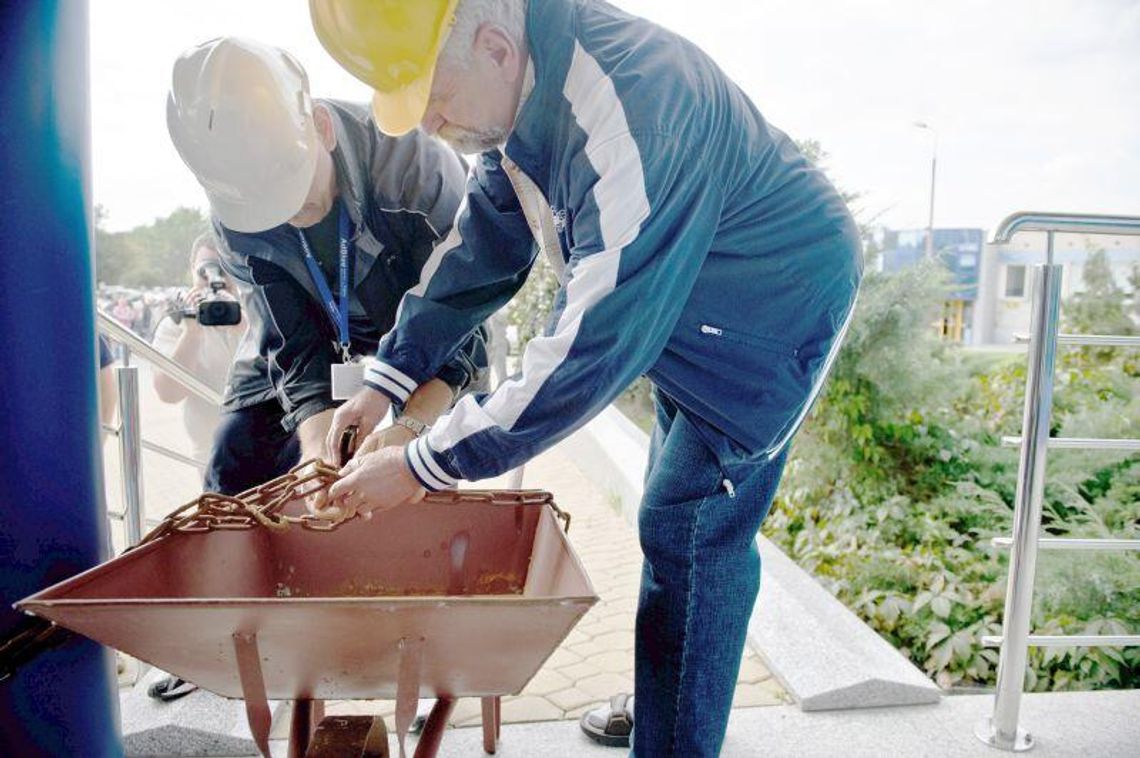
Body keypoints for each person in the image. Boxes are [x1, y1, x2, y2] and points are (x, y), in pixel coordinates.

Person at [310, 2, 863, 755]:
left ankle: (674, 740)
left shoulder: (634, 110)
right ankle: (670, 698)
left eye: (434, 101)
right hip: (689, 300)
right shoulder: (524, 96)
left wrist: (422, 464)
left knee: (690, 529)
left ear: (497, 49)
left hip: (771, 309)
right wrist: (390, 379)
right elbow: (482, 250)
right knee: (676, 521)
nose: (431, 127)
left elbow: (592, 345)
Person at [165, 37, 487, 498]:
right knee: (233, 452)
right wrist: (318, 456)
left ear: (321, 126)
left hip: (418, 323)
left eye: (291, 186)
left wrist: (407, 431)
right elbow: (293, 346)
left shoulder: (417, 169)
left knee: (421, 470)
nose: (287, 215)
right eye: (264, 208)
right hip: (315, 330)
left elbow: (460, 320)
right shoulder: (234, 221)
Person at [150, 233, 245, 464]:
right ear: (193, 270)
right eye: (206, 270)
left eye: (224, 268)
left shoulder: (256, 314)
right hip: (209, 448)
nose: (215, 278)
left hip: (267, 444)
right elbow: (168, 393)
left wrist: (245, 327)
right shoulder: (175, 324)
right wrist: (191, 334)